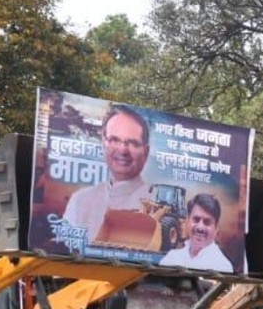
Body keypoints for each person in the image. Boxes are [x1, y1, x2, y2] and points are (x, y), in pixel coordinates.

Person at [62, 104, 152, 243]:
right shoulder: (80, 200)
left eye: (133, 143)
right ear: (103, 144)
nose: (123, 150)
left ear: (145, 152)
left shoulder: (156, 203)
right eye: (114, 140)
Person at [158, 193, 234, 273]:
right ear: (187, 220)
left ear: (216, 228)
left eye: (207, 222)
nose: (200, 227)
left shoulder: (222, 266)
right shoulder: (172, 258)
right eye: (196, 219)